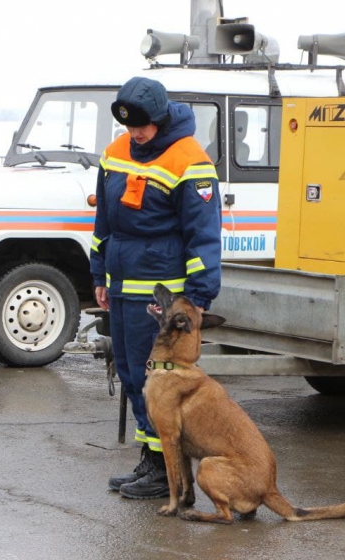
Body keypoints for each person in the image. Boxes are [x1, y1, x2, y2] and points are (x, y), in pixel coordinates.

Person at [90, 76, 222, 499]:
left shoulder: (190, 160)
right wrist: (99, 275)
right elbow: (104, 224)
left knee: (159, 384)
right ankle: (152, 463)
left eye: (144, 125)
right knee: (133, 377)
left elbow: (204, 236)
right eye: (130, 126)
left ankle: (168, 474)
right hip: (124, 286)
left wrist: (197, 299)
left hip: (162, 301)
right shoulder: (115, 153)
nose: (137, 133)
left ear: (162, 118)